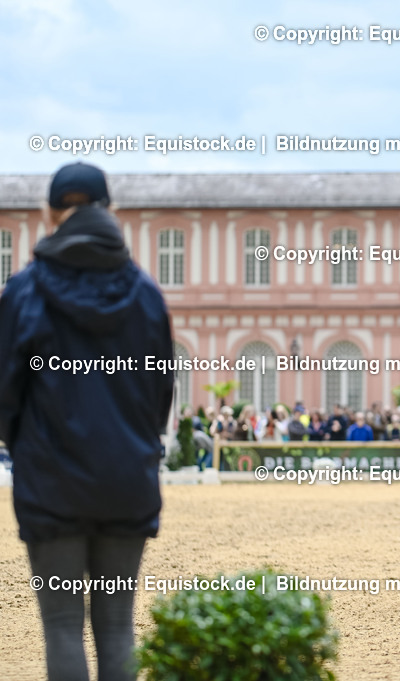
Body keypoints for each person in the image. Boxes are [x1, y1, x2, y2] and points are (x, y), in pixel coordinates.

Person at [0, 162, 175, 681]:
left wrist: (28, 446)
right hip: (126, 481)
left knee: (60, 625)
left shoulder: (22, 292)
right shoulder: (146, 295)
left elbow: (4, 395)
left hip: (50, 482)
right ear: (110, 211)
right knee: (118, 628)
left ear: (49, 214)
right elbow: (159, 396)